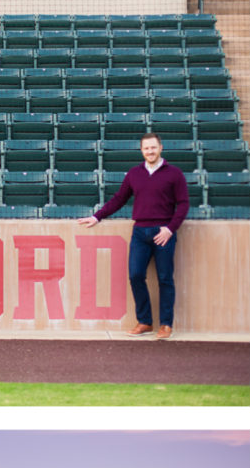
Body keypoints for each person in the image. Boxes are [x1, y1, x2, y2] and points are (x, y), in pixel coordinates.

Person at [78, 133, 189, 340]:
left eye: (153, 148)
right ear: (141, 150)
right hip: (140, 232)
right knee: (135, 275)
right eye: (146, 148)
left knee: (165, 279)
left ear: (161, 148)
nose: (150, 151)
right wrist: (97, 216)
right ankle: (145, 322)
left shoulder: (174, 174)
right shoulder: (134, 174)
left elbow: (183, 204)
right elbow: (119, 199)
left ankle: (165, 324)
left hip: (163, 233)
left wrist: (170, 229)